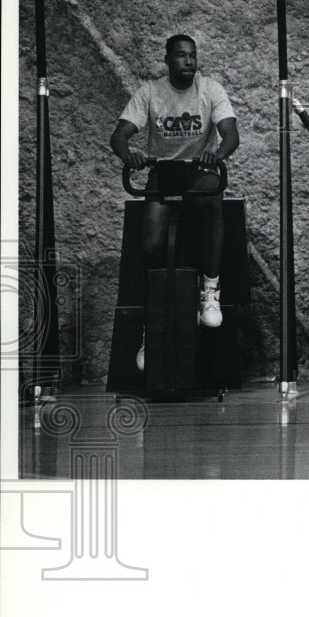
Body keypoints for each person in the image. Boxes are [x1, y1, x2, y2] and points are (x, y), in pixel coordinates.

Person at [110, 34, 239, 371]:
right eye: (180, 55)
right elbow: (119, 136)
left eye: (193, 55)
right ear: (167, 60)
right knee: (151, 244)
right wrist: (130, 157)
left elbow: (231, 134)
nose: (188, 61)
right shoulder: (150, 92)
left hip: (199, 171)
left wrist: (217, 153)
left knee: (213, 203)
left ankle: (210, 290)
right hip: (162, 174)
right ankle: (151, 331)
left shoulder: (211, 89)